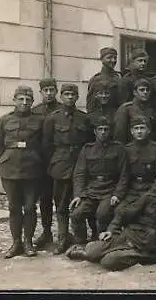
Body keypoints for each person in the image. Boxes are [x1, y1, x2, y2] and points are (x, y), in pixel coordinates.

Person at [65, 173, 156, 271]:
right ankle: (88, 252)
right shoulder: (148, 198)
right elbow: (124, 214)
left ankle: (101, 254)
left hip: (147, 250)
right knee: (92, 250)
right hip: (130, 237)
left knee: (109, 262)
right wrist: (111, 230)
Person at [0, 86, 45, 258]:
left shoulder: (40, 120)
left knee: (30, 207)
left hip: (32, 170)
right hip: (10, 170)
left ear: (32, 102)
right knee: (14, 207)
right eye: (21, 99)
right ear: (14, 100)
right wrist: (10, 157)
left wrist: (34, 158)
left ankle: (28, 242)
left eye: (28, 99)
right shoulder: (4, 120)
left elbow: (45, 145)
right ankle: (16, 243)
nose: (24, 102)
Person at [42, 83, 93, 254]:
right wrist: (56, 161)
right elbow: (47, 145)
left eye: (73, 94)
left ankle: (82, 239)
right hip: (61, 166)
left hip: (81, 166)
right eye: (66, 94)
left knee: (82, 203)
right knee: (62, 206)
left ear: (77, 97)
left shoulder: (84, 118)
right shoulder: (52, 118)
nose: (70, 97)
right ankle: (62, 240)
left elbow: (88, 143)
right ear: (61, 96)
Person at [69, 116, 129, 247]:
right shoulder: (87, 149)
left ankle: (100, 244)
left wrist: (117, 194)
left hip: (109, 191)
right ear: (95, 131)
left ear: (110, 131)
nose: (103, 132)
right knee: (76, 214)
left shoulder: (118, 149)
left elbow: (124, 175)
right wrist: (78, 195)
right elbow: (80, 174)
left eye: (106, 129)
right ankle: (80, 243)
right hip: (91, 191)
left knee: (102, 214)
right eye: (100, 129)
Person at [31, 78, 62, 249]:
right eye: (46, 90)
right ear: (41, 92)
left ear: (56, 91)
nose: (49, 93)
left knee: (62, 198)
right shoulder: (35, 112)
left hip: (59, 162)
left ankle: (64, 233)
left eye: (52, 90)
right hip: (41, 164)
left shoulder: (61, 109)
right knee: (44, 199)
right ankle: (47, 231)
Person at [121, 116, 156, 208]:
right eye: (136, 128)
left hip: (150, 190)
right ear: (132, 131)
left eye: (142, 128)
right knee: (120, 211)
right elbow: (124, 175)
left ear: (148, 130)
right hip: (131, 192)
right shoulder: (127, 149)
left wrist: (152, 192)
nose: (139, 131)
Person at [113, 78, 156, 144]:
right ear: (135, 92)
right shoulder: (126, 108)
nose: (145, 92)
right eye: (142, 90)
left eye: (147, 90)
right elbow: (119, 133)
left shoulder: (151, 109)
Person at [86, 47, 123, 113]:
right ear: (102, 59)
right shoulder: (96, 79)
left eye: (115, 58)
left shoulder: (119, 77)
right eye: (109, 58)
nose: (113, 60)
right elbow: (90, 104)